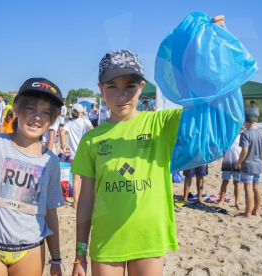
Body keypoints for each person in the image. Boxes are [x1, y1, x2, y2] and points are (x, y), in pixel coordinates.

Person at [71, 15, 227, 276]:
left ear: (141, 87)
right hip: (106, 242)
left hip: (149, 239)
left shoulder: (162, 123)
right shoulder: (92, 139)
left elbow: (208, 109)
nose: (122, 95)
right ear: (100, 88)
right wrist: (79, 254)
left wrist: (217, 47)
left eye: (130, 86)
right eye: (112, 86)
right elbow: (86, 199)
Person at [0, 77, 64, 276]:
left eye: (46, 112)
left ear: (52, 120)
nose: (37, 117)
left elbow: (50, 213)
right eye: (31, 109)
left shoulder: (51, 162)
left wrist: (56, 258)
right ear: (17, 110)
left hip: (31, 250)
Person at [235, 109, 262, 218]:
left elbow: (244, 150)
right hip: (259, 164)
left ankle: (248, 212)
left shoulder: (245, 134)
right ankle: (256, 211)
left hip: (248, 165)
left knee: (248, 188)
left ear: (245, 121)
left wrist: (238, 163)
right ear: (256, 119)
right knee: (257, 189)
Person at [58, 103, 93, 208]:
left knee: (76, 179)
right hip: (85, 152)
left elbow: (61, 132)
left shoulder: (69, 123)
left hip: (74, 154)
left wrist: (63, 146)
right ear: (82, 112)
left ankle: (76, 203)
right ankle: (87, 201)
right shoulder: (86, 121)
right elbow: (92, 130)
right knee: (87, 178)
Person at [217, 133, 242, 208]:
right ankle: (221, 199)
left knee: (237, 183)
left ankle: (237, 202)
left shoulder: (241, 136)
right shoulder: (227, 135)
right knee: (225, 181)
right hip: (227, 161)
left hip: (237, 162)